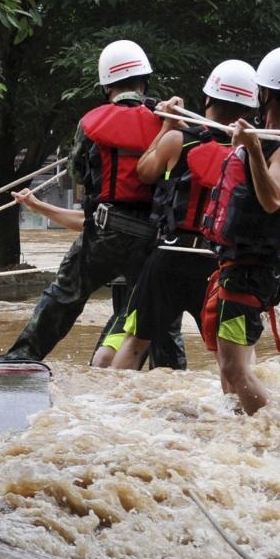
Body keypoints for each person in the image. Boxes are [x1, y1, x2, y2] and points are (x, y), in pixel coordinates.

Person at [0, 39, 184, 367]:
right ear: (144, 82)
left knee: (63, 296)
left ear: (106, 86)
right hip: (151, 241)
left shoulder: (91, 122)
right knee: (161, 316)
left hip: (103, 233)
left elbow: (78, 172)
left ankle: (19, 361)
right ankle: (175, 382)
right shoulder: (166, 123)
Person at [110, 60, 258, 371]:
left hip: (168, 258)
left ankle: (110, 411)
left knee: (135, 344)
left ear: (207, 99)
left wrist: (166, 125)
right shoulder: (253, 154)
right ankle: (243, 416)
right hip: (218, 265)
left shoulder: (179, 139)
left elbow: (145, 171)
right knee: (230, 358)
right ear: (248, 111)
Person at [199, 46, 280, 414]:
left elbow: (271, 200)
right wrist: (251, 145)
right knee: (232, 372)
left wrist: (252, 150)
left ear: (264, 92)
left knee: (234, 371)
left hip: (251, 273)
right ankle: (243, 436)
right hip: (243, 267)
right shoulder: (272, 138)